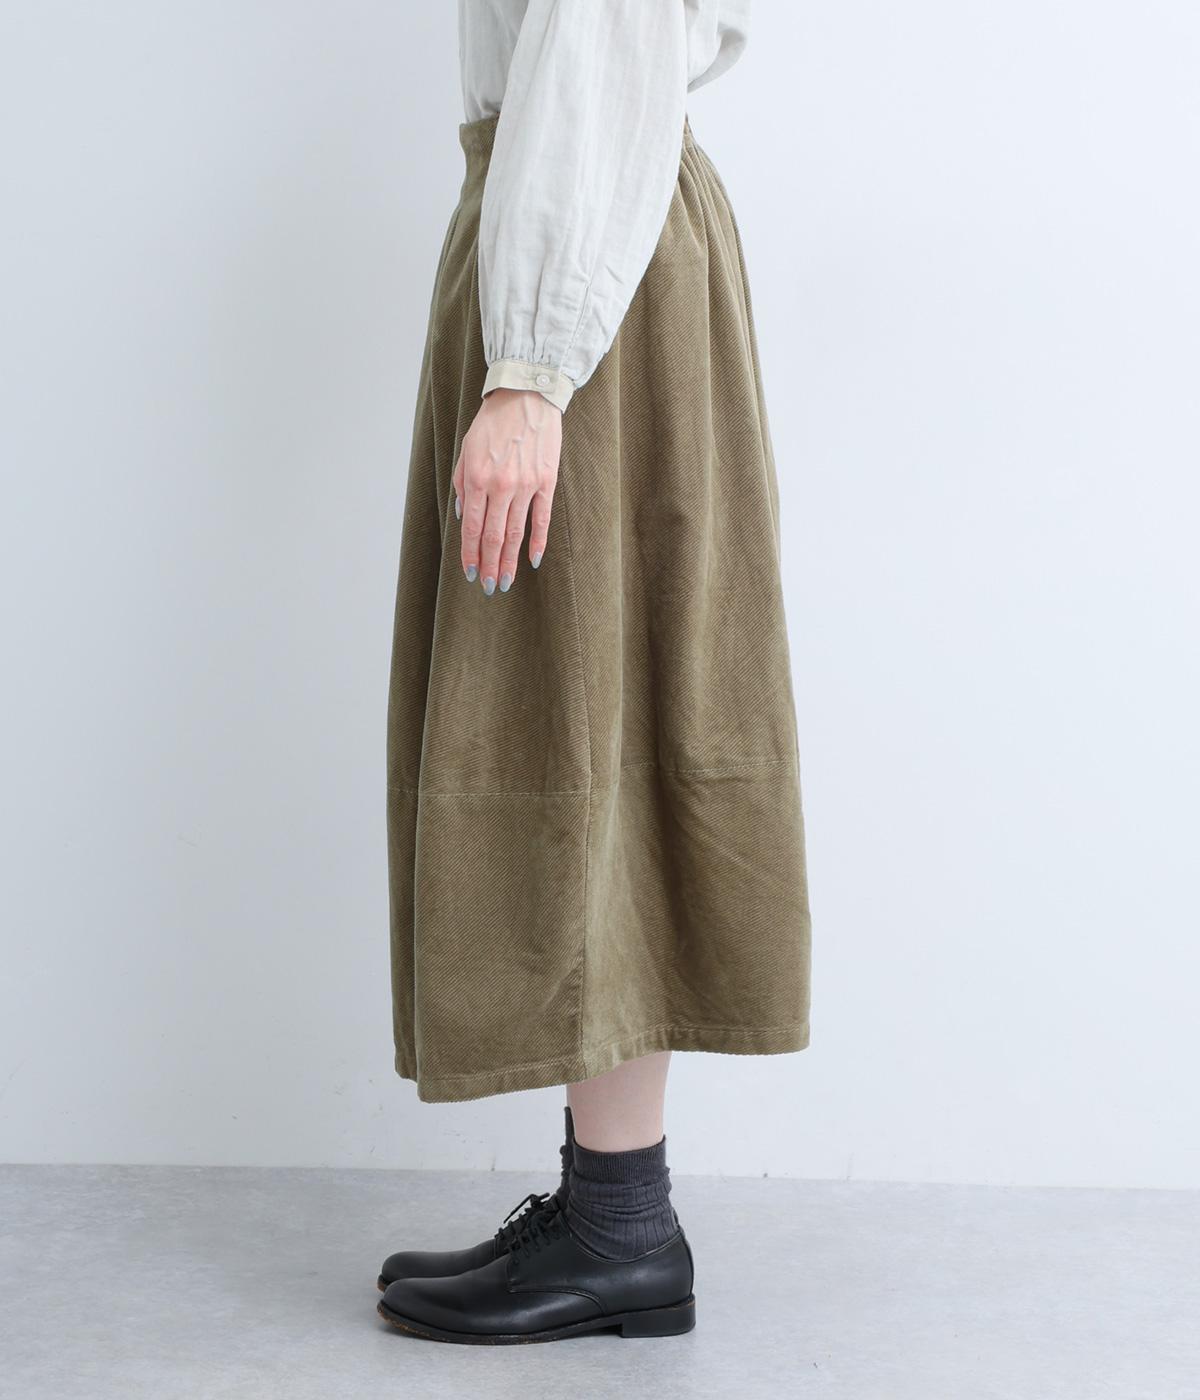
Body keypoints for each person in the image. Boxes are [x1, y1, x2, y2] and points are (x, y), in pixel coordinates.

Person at [378, 0, 811, 1344]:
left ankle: (623, 1231)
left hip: (588, 273)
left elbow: (605, 42)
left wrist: (531, 371)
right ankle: (613, 1212)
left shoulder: (558, 316)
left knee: (585, 722)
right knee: (595, 722)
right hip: (580, 238)